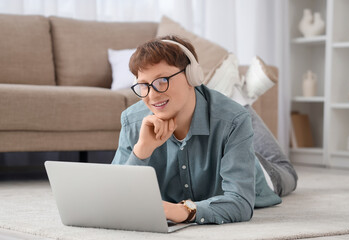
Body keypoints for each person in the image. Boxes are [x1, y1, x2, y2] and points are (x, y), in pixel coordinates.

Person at [112, 35, 298, 225]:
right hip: (227, 125)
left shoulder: (234, 120)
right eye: (144, 85)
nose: (152, 95)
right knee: (231, 117)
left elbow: (240, 202)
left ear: (193, 76)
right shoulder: (133, 121)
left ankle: (239, 98)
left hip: (261, 175)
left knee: (287, 172)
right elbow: (114, 198)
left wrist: (182, 211)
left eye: (162, 81)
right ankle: (236, 95)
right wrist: (142, 150)